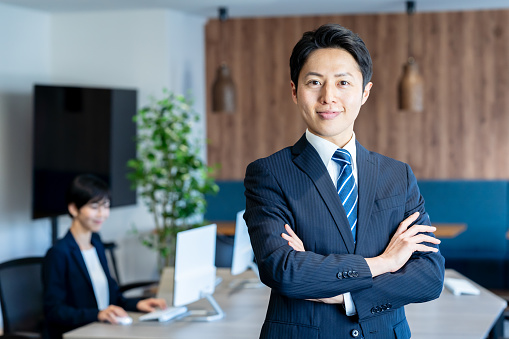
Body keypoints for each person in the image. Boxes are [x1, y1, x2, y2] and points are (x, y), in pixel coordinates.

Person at [243, 23, 445, 339]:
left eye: (343, 83)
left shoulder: (398, 175)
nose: (328, 97)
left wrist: (346, 296)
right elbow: (284, 271)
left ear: (364, 92)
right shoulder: (269, 174)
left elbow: (429, 276)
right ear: (295, 91)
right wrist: (386, 262)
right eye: (314, 82)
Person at [42, 174, 167, 339]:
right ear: (73, 209)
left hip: (106, 329)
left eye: (106, 206)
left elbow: (112, 296)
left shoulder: (97, 244)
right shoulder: (59, 253)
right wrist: (98, 314)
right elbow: (54, 311)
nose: (102, 214)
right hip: (79, 333)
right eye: (94, 207)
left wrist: (138, 303)